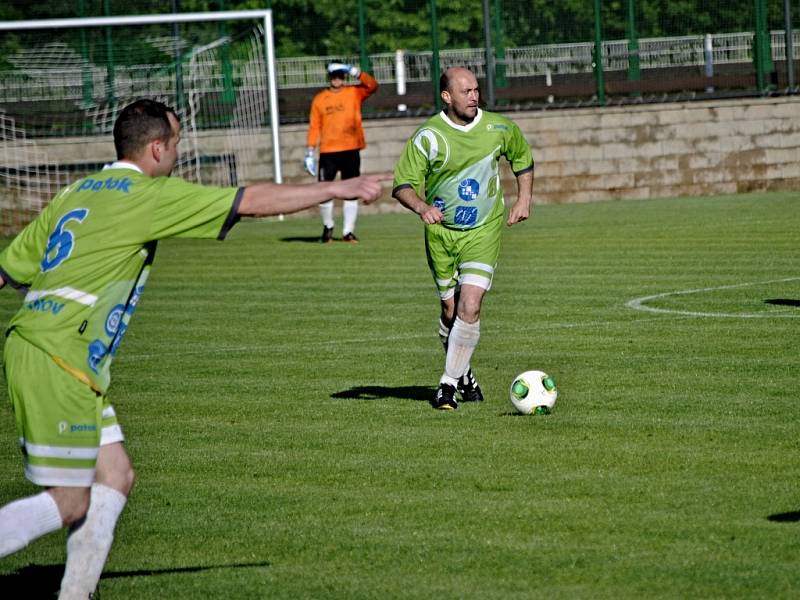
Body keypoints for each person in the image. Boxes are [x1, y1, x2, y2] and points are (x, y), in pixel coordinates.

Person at [0, 98, 384, 599]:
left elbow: (9, 271)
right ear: (157, 148)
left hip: (48, 349)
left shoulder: (77, 191)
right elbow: (250, 200)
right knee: (70, 501)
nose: (179, 153)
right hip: (59, 358)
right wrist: (338, 186)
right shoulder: (145, 194)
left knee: (115, 476)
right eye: (178, 143)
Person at [392, 67, 534, 410]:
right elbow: (402, 186)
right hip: (441, 235)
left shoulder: (499, 127)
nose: (474, 96)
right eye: (466, 91)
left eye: (476, 90)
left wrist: (524, 199)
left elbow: (522, 159)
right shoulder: (427, 137)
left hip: (484, 230)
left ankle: (446, 385)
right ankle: (464, 374)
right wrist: (422, 207)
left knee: (471, 304)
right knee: (449, 311)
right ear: (447, 96)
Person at [304, 61, 379, 243]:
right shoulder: (320, 99)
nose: (337, 79)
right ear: (329, 78)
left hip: (351, 149)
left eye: (340, 75)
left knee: (351, 190)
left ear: (344, 76)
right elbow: (314, 126)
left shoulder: (354, 92)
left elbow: (372, 85)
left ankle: (348, 231)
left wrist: (355, 71)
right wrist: (309, 151)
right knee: (324, 191)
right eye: (334, 76)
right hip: (329, 151)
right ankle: (328, 226)